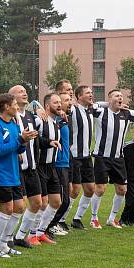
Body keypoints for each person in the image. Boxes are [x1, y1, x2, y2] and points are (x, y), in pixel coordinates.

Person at [89, 90, 134, 229]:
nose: (120, 98)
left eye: (121, 96)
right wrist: (107, 103)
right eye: (116, 96)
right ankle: (94, 218)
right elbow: (91, 106)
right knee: (100, 189)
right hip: (102, 156)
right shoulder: (101, 112)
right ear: (109, 99)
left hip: (118, 158)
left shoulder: (126, 114)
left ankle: (112, 218)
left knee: (122, 189)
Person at [0, 93, 38, 257]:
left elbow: (18, 149)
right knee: (7, 209)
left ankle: (4, 244)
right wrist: (19, 140)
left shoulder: (14, 124)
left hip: (14, 172)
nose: (17, 107)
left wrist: (24, 141)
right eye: (14, 104)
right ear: (6, 107)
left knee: (19, 207)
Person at [10, 85, 43, 251]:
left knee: (37, 203)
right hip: (17, 168)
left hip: (32, 167)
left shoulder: (31, 116)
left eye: (25, 91)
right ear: (12, 97)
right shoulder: (10, 116)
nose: (25, 93)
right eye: (20, 91)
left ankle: (20, 236)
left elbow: (42, 133)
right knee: (19, 206)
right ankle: (7, 237)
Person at [30, 92, 63, 243]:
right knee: (42, 203)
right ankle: (31, 235)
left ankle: (41, 231)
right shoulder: (39, 119)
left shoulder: (56, 121)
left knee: (56, 202)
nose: (59, 105)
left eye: (60, 102)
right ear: (48, 105)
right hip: (40, 166)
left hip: (52, 167)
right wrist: (50, 142)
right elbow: (33, 134)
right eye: (56, 103)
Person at [68, 85, 98, 229]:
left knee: (90, 189)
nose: (91, 95)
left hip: (87, 156)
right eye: (87, 93)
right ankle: (60, 220)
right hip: (75, 156)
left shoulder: (91, 110)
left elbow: (105, 105)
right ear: (79, 97)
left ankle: (77, 218)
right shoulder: (73, 110)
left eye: (91, 92)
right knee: (74, 190)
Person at [45, 91, 73, 237]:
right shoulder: (53, 120)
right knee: (62, 200)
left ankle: (51, 225)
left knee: (65, 199)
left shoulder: (63, 119)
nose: (64, 104)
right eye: (63, 101)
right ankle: (48, 226)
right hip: (58, 163)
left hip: (66, 162)